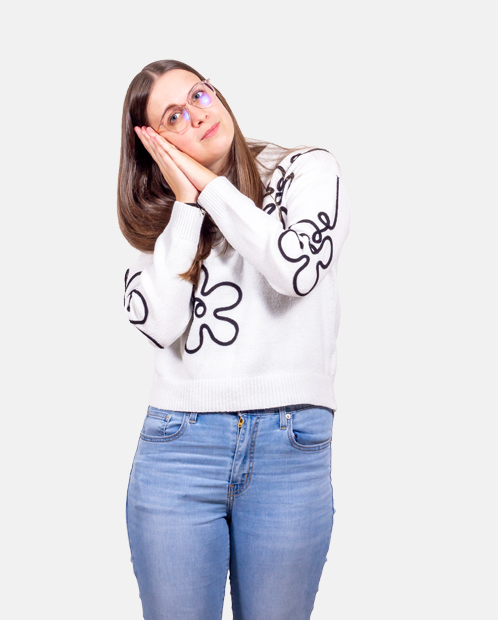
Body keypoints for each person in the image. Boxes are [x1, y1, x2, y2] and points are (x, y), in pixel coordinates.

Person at [117, 59, 351, 620]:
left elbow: (294, 269)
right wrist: (185, 207)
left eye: (199, 95)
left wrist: (211, 189)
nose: (196, 115)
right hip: (180, 448)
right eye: (173, 117)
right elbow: (160, 324)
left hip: (290, 446)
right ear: (154, 145)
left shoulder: (306, 171)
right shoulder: (156, 219)